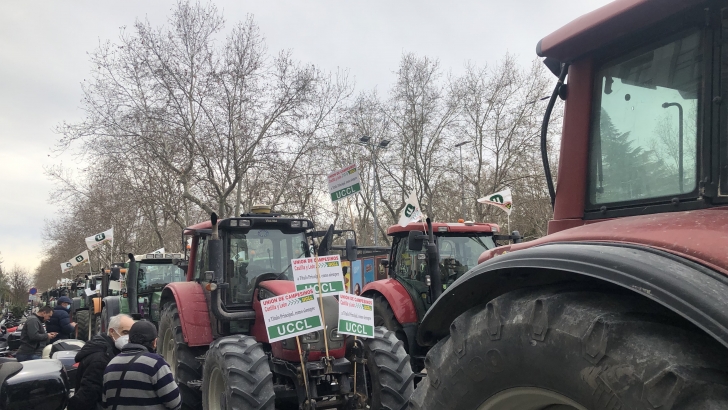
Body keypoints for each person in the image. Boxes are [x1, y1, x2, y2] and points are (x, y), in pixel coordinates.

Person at [102, 321, 181, 410]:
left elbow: (105, 404)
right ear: (154, 342)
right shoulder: (156, 363)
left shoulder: (111, 365)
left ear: (129, 340)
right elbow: (174, 402)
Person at [68, 314, 135, 410]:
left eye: (130, 334)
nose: (128, 338)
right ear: (112, 331)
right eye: (125, 332)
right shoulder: (100, 359)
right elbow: (88, 395)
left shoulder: (109, 350)